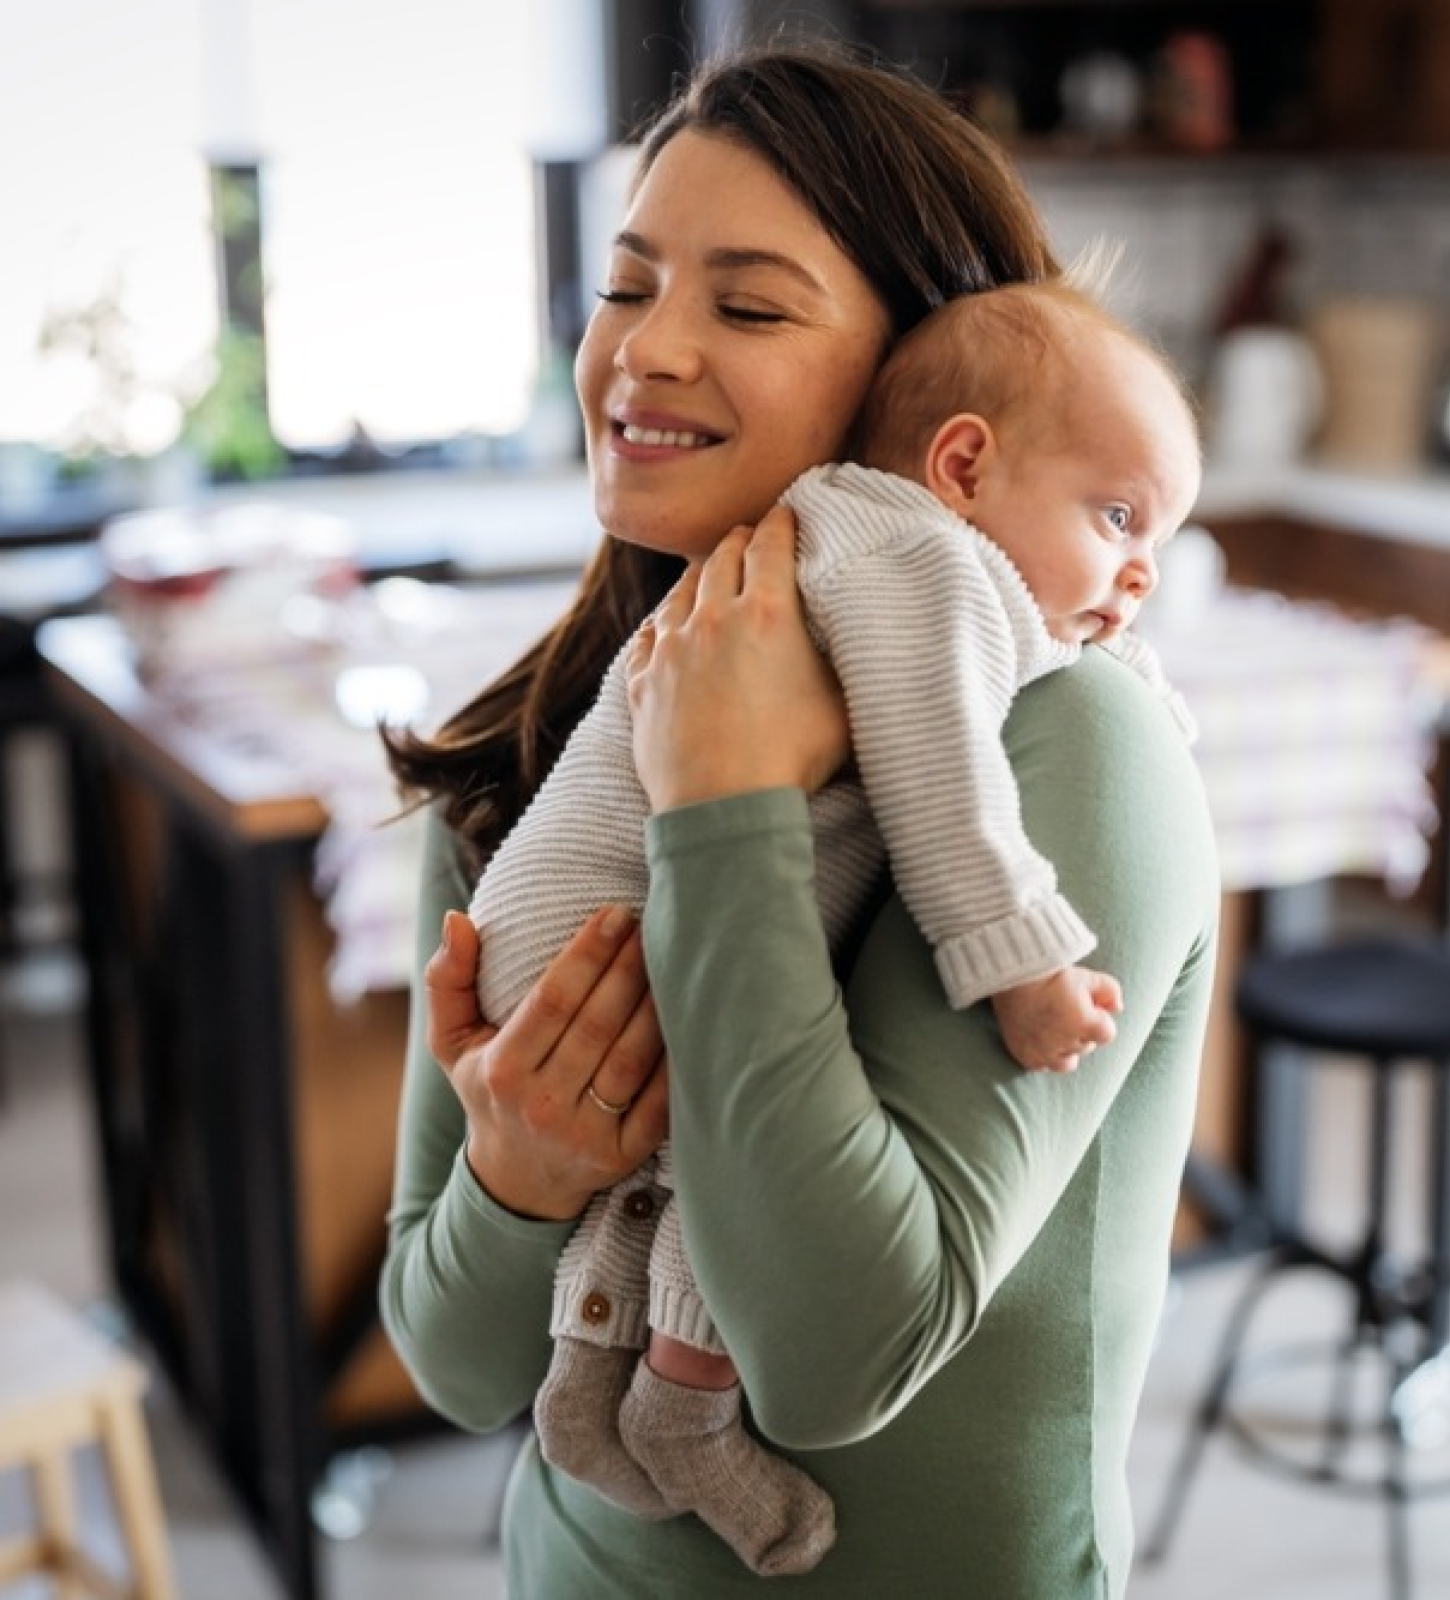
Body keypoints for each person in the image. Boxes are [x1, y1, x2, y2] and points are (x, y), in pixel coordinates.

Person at [380, 39, 1219, 1600]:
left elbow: (840, 1357)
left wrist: (732, 808)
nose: (646, 351)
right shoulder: (545, 752)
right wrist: (515, 1178)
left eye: (749, 306)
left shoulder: (1072, 749)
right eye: (626, 288)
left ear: (929, 385)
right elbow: (451, 1364)